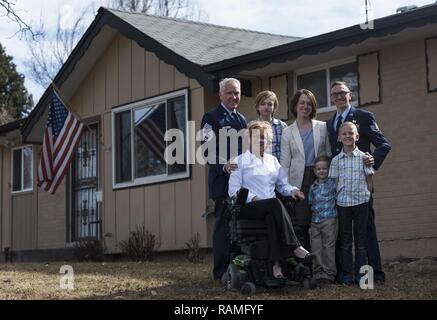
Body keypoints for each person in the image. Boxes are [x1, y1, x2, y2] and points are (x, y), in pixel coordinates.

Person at [229, 120, 313, 279]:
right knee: (274, 203)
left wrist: (294, 191)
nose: (260, 140)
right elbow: (233, 190)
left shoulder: (272, 161)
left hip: (270, 208)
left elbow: (283, 185)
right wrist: (253, 198)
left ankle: (276, 266)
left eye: (263, 137)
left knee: (271, 215)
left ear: (268, 140)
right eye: (256, 137)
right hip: (248, 207)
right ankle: (296, 246)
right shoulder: (239, 161)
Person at [327, 81, 391, 284]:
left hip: (362, 187)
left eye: (342, 93)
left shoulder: (364, 116)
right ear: (331, 98)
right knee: (343, 236)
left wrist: (373, 160)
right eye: (334, 94)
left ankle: (374, 274)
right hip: (342, 191)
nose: (338, 97)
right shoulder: (331, 122)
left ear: (350, 95)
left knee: (366, 233)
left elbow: (384, 144)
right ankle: (344, 273)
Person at [201, 78, 247, 281]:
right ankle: (220, 272)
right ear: (220, 95)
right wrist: (223, 166)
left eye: (236, 93)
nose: (233, 97)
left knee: (239, 228)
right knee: (223, 228)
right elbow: (206, 151)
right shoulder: (210, 118)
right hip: (222, 183)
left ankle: (237, 269)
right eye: (229, 93)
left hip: (242, 185)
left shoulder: (242, 120)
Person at [280, 89, 331, 251]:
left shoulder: (322, 127)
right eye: (302, 102)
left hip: (321, 178)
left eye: (309, 104)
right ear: (295, 105)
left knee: (324, 223)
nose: (305, 106)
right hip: (299, 183)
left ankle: (327, 266)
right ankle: (307, 265)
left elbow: (328, 154)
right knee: (302, 225)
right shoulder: (287, 132)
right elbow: (284, 164)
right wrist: (288, 188)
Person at [329, 122, 374, 285]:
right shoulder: (336, 161)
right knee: (346, 242)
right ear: (339, 138)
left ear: (357, 136)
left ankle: (363, 277)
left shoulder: (365, 158)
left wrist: (367, 196)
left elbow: (370, 180)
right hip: (343, 204)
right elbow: (334, 183)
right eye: (344, 134)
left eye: (351, 133)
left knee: (361, 242)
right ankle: (347, 275)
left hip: (361, 202)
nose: (348, 136)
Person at [308, 155, 338, 285]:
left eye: (324, 168)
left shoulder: (332, 184)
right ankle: (318, 273)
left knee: (328, 247)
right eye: (319, 169)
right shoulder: (313, 187)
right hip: (315, 221)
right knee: (316, 248)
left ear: (328, 170)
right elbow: (310, 202)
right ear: (315, 171)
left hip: (329, 219)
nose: (321, 171)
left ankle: (329, 274)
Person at [254, 90, 287, 161]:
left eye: (270, 104)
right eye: (263, 104)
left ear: (274, 107)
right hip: (260, 168)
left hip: (278, 168)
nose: (266, 107)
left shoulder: (281, 126)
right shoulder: (252, 127)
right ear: (257, 107)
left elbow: (287, 149)